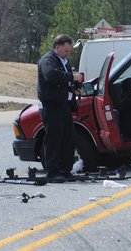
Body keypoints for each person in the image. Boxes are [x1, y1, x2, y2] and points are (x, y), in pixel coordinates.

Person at [37, 34, 83, 183]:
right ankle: (52, 172)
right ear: (57, 47)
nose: (67, 53)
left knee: (68, 139)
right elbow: (51, 75)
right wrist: (72, 77)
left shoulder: (64, 61)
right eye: (66, 50)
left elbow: (66, 81)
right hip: (51, 107)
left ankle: (65, 170)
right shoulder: (48, 60)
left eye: (69, 51)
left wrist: (75, 87)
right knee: (54, 139)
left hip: (64, 106)